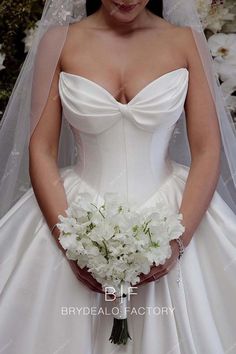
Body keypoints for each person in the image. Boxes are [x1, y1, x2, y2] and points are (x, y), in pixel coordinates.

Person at [0, 0, 236, 353]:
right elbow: (42, 149)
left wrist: (177, 243)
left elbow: (207, 150)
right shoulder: (59, 42)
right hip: (73, 214)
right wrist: (69, 242)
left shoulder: (185, 41)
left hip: (173, 213)